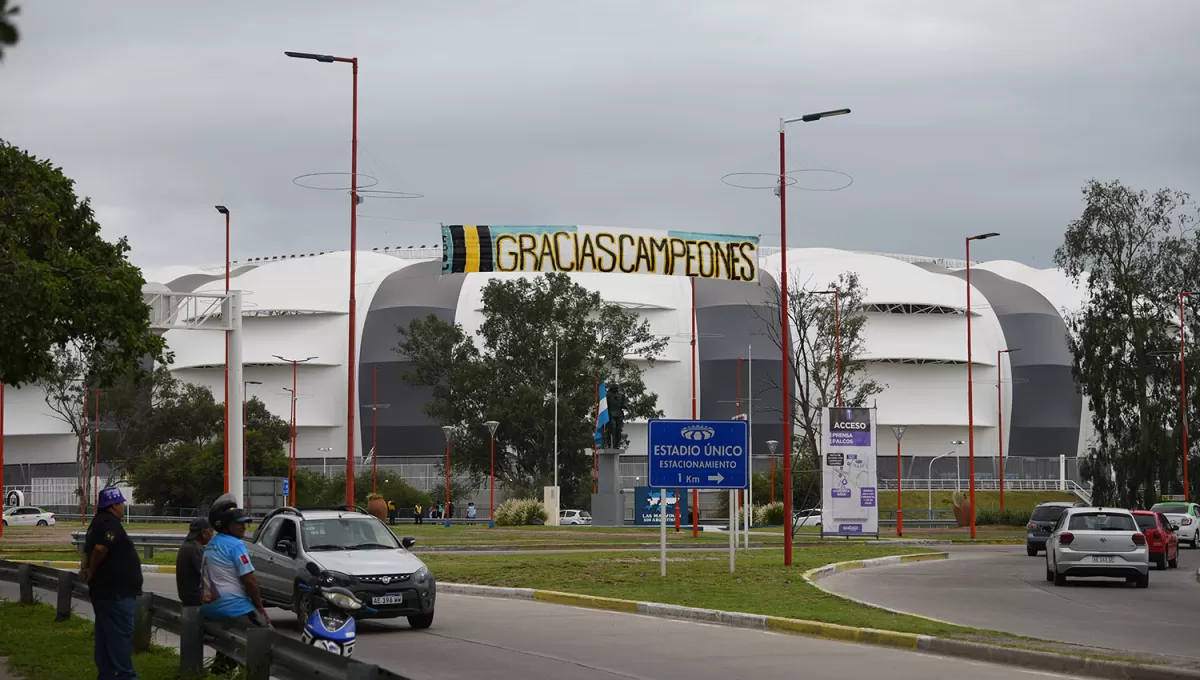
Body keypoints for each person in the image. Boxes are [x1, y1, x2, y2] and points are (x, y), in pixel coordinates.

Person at [81, 487, 142, 680]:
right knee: (120, 637)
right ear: (113, 505)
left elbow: (87, 549)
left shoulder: (96, 523)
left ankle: (106, 675)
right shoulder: (110, 523)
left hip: (104, 592)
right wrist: (92, 569)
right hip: (116, 593)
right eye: (121, 503)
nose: (124, 506)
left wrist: (86, 569)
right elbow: (100, 548)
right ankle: (126, 676)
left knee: (106, 637)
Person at [200, 501, 271, 629]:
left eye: (244, 523)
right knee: (266, 635)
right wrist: (259, 606)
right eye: (238, 523)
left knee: (230, 644)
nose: (243, 527)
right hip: (233, 607)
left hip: (209, 607)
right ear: (226, 526)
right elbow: (249, 581)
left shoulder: (212, 543)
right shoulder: (236, 545)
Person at [175, 518, 213, 606]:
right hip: (196, 600)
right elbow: (207, 574)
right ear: (204, 533)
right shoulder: (195, 549)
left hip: (188, 597)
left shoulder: (187, 546)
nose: (212, 535)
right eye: (211, 531)